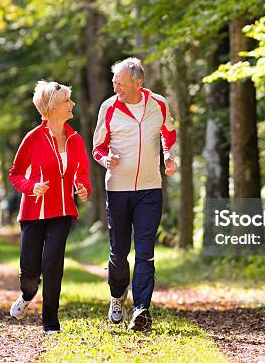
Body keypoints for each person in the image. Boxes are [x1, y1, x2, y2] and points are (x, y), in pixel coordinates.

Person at [92, 57, 177, 331]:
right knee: (119, 254)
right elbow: (97, 147)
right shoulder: (109, 107)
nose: (116, 88)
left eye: (121, 84)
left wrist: (169, 156)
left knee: (145, 251)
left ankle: (141, 309)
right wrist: (106, 160)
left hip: (150, 189)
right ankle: (117, 296)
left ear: (138, 83)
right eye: (114, 83)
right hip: (117, 189)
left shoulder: (159, 104)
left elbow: (169, 132)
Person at [8, 81, 91, 334]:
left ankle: (50, 322)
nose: (72, 104)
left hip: (63, 210)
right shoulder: (33, 138)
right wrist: (31, 187)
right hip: (34, 212)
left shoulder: (75, 140)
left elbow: (82, 172)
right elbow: (16, 173)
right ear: (53, 107)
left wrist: (83, 187)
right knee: (30, 273)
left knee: (53, 263)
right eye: (68, 100)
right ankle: (26, 294)